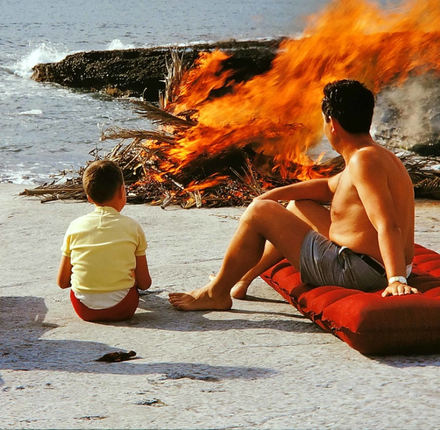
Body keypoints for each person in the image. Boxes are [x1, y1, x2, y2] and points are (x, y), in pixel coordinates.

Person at [169, 79, 418, 312]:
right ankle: (242, 278)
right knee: (296, 206)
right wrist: (269, 195)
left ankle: (216, 293)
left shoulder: (364, 161)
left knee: (260, 214)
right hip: (370, 263)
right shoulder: (376, 155)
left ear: (332, 123)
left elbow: (387, 223)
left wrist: (396, 279)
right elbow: (330, 186)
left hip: (360, 271)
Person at [57, 159, 152, 322]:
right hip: (123, 308)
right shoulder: (132, 227)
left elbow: (63, 282)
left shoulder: (75, 226)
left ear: (89, 198)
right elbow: (144, 283)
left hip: (84, 309)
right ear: (123, 191)